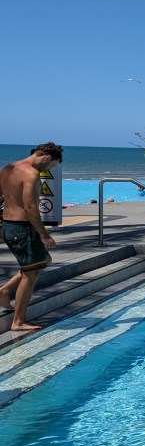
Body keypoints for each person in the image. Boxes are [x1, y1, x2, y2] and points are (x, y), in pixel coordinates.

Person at [0, 142, 63, 332]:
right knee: (31, 273)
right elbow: (30, 208)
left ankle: (4, 290)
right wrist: (44, 235)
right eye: (51, 166)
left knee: (44, 260)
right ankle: (18, 321)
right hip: (22, 229)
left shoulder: (8, 168)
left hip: (10, 226)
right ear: (46, 158)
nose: (49, 169)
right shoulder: (32, 174)